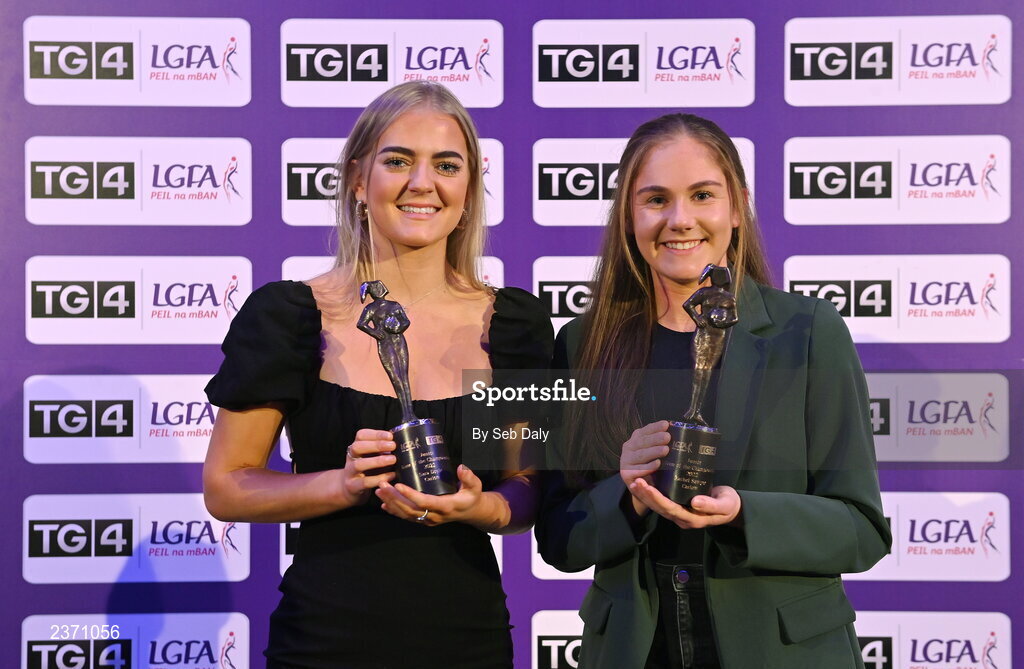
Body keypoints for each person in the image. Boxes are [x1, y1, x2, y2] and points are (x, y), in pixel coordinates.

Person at [203, 81, 553, 668]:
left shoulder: (515, 326)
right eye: (398, 161)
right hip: (323, 641)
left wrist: (477, 508)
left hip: (468, 639)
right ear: (359, 181)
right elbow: (226, 485)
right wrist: (337, 486)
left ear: (468, 190)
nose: (423, 183)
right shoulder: (290, 316)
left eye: (447, 164)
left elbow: (528, 489)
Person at [534, 113, 891, 669]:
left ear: (738, 206)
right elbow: (559, 539)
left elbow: (861, 530)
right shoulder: (582, 345)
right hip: (635, 650)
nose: (680, 220)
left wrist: (744, 513)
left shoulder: (808, 331)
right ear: (628, 214)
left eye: (702, 195)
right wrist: (626, 496)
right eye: (655, 199)